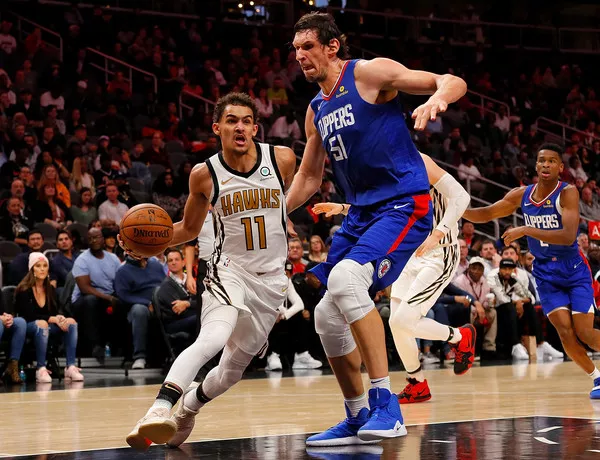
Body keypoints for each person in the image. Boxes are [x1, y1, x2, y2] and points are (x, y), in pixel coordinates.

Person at [285, 12, 466, 444]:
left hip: (403, 203)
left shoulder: (368, 74)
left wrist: (438, 99)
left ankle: (388, 405)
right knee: (326, 314)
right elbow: (309, 177)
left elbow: (450, 80)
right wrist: (275, 212)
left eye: (308, 46)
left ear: (332, 46)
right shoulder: (316, 109)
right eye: (295, 49)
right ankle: (356, 414)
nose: (300, 56)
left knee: (347, 280)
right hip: (362, 213)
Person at [125, 92, 296, 451]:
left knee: (231, 373)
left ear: (255, 127)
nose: (240, 127)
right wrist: (144, 245)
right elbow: (188, 229)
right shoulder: (204, 174)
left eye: (247, 121)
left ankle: (187, 409)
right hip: (228, 271)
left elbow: (303, 185)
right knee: (213, 339)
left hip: (271, 282)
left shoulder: (281, 159)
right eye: (232, 120)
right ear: (217, 128)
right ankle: (158, 409)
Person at [313, 152, 474, 405]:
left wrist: (438, 234)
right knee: (397, 324)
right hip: (409, 253)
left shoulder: (420, 161)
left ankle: (459, 337)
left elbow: (461, 196)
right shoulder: (383, 167)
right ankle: (417, 383)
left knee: (403, 321)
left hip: (439, 252)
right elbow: (379, 209)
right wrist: (343, 208)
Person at [463, 143, 600, 398]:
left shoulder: (567, 192)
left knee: (585, 332)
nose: (546, 164)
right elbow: (488, 212)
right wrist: (458, 211)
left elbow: (568, 235)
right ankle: (597, 378)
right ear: (536, 166)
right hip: (546, 272)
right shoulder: (521, 194)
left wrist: (526, 229)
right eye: (542, 160)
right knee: (564, 331)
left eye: (551, 161)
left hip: (573, 269)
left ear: (560, 167)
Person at [15, 252, 83, 382]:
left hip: (47, 325)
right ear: (32, 269)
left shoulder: (50, 289)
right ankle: (41, 369)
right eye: (38, 266)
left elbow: (55, 311)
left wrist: (60, 318)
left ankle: (70, 367)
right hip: (28, 326)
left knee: (71, 322)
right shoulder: (23, 289)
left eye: (45, 266)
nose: (42, 269)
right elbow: (28, 315)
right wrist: (52, 319)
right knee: (42, 324)